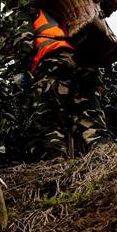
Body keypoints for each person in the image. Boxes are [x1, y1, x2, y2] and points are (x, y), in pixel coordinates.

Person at [27, 8, 107, 159]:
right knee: (90, 117)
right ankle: (106, 156)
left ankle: (55, 163)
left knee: (47, 119)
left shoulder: (32, 10)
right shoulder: (81, 6)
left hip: (55, 61)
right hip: (87, 62)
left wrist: (23, 76)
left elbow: (22, 44)